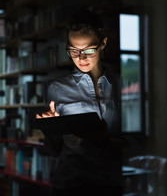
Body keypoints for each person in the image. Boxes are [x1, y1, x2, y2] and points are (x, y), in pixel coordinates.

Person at [36, 11, 128, 196]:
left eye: (88, 50)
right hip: (70, 187)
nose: (81, 58)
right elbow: (54, 151)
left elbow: (140, 144)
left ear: (103, 43)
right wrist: (50, 130)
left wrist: (104, 141)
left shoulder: (123, 84)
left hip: (113, 186)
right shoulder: (56, 88)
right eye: (74, 51)